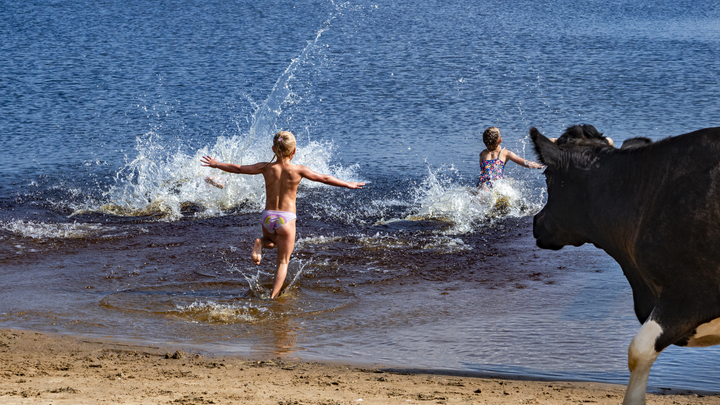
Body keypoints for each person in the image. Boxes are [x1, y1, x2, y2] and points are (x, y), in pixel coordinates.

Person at [200, 131, 364, 299]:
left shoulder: (266, 167)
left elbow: (239, 169)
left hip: (268, 217)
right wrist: (347, 184)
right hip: (286, 219)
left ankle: (260, 243)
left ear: (273, 149)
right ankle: (273, 298)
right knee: (282, 262)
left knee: (272, 242)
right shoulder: (298, 170)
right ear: (294, 151)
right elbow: (325, 178)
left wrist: (216, 164)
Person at [477, 126, 543, 189]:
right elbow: (526, 163)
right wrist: (540, 165)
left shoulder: (482, 154)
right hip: (496, 184)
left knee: (483, 189)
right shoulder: (505, 153)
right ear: (500, 140)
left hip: (482, 183)